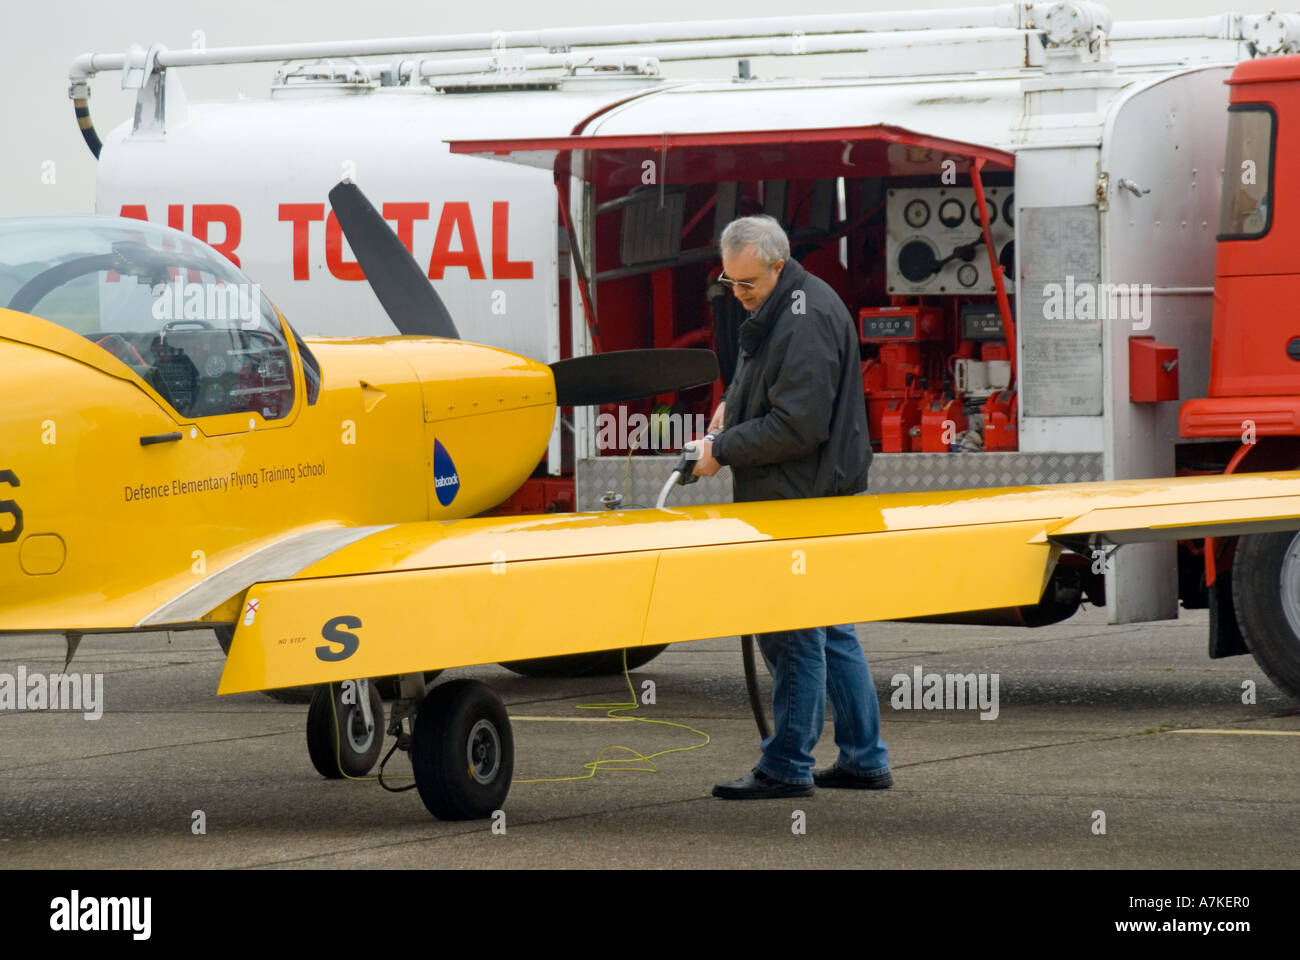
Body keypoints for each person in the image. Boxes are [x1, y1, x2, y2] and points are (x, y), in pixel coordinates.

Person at [689, 214, 892, 799]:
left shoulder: (803, 321)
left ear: (778, 265)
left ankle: (786, 764)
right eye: (730, 283)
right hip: (814, 495)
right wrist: (731, 403)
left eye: (747, 283)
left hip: (800, 499)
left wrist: (721, 450)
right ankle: (863, 758)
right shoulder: (787, 304)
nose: (739, 295)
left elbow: (798, 425)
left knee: (792, 631)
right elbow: (766, 379)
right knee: (830, 631)